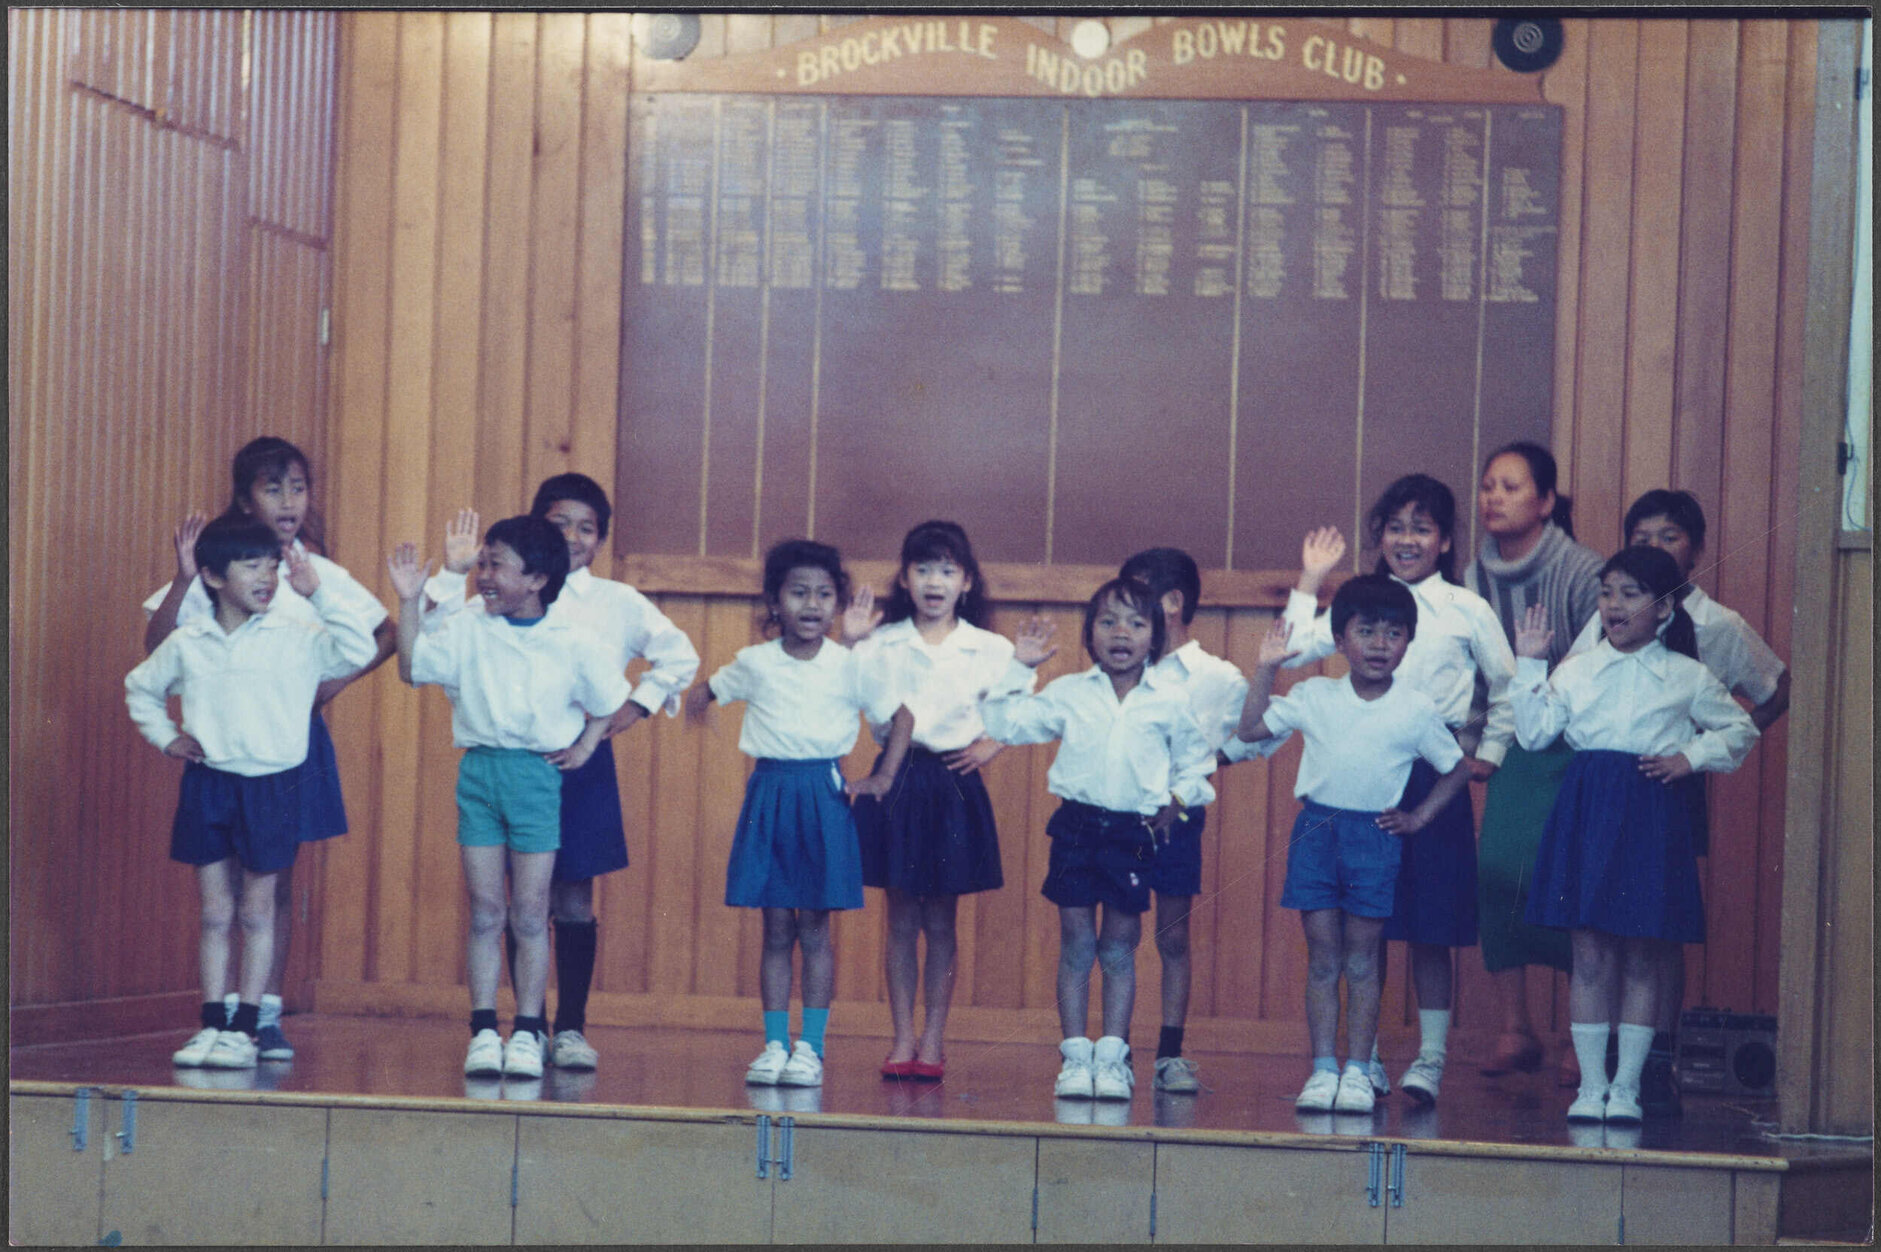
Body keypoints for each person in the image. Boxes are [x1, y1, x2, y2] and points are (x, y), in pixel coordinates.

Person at [421, 473, 700, 1072]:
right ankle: (524, 1023)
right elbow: (444, 653)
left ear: (600, 539)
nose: (573, 536)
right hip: (507, 763)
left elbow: (679, 656)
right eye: (559, 524)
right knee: (514, 902)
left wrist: (626, 714)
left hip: (578, 763)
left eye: (587, 528)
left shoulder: (616, 602)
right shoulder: (490, 598)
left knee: (570, 895)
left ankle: (568, 1027)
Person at [141, 436, 395, 1060]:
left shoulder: (314, 573)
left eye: (299, 487)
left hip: (287, 742)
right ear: (243, 498)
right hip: (224, 746)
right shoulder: (216, 565)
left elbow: (382, 633)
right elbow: (155, 643)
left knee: (272, 881)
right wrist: (180, 581)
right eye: (272, 487)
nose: (289, 501)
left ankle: (263, 1013)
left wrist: (317, 691)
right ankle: (222, 1011)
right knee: (223, 888)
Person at [1275, 474, 1517, 1105]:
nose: (1408, 540)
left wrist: (1488, 753)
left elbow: (1508, 685)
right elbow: (1295, 650)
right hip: (1366, 775)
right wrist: (1309, 579)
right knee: (1365, 924)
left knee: (1433, 924)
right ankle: (1366, 1057)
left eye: (1423, 528)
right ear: (1379, 537)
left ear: (1443, 542)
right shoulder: (1355, 603)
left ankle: (1431, 1060)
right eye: (1395, 527)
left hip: (1435, 769)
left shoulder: (1467, 609)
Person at [1510, 545, 1758, 1123]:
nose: (1614, 605)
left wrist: (1690, 757)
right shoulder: (1577, 668)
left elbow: (1740, 729)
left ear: (1665, 608)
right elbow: (1532, 733)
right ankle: (1591, 1086)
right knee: (1590, 951)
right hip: (1588, 808)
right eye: (1607, 592)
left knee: (1645, 951)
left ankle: (1626, 1087)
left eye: (1630, 593)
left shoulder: (1687, 675)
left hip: (1650, 812)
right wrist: (1529, 664)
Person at [1562, 488, 1790, 1113]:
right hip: (1612, 784)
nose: (1655, 547)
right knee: (1603, 922)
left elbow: (1773, 688)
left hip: (1669, 786)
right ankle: (1603, 1066)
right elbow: (1583, 682)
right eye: (1642, 537)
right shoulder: (1613, 611)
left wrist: (1697, 754)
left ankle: (1656, 1059)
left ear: (1696, 550)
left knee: (1657, 926)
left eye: (1669, 536)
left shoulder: (1719, 624)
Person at [387, 516, 633, 1080]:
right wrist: (408, 603)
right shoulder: (472, 627)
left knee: (528, 913)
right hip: (480, 775)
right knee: (485, 912)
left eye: (497, 564)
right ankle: (481, 1030)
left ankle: (527, 1031)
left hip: (537, 781)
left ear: (538, 578)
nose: (485, 574)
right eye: (483, 563)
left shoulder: (572, 640)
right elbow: (411, 668)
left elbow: (608, 701)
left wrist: (586, 745)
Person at [1233, 575, 1470, 1115]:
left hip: (1375, 839)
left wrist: (1419, 817)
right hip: (1317, 833)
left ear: (1408, 642)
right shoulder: (1314, 695)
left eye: (1393, 633)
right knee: (1323, 958)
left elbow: (1456, 770)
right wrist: (1266, 666)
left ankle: (1360, 1070)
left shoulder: (1414, 707)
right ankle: (1322, 1069)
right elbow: (1249, 731)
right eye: (1367, 631)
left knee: (1362, 960)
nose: (1380, 644)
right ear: (1340, 640)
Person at [684, 539, 912, 1090]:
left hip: (823, 796)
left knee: (814, 928)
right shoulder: (756, 663)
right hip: (771, 794)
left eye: (824, 594)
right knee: (775, 927)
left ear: (837, 604)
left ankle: (811, 1047)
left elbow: (900, 718)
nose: (812, 605)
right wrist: (698, 711)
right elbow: (704, 693)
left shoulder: (849, 665)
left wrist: (881, 777)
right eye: (799, 592)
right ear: (775, 600)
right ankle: (774, 1045)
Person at [979, 577, 1217, 1103]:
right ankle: (1075, 1057)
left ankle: (1112, 1058)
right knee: (1076, 943)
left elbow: (1197, 764)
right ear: (1090, 634)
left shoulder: (1171, 699)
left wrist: (1175, 801)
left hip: (1134, 832)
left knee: (1118, 946)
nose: (1121, 633)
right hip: (1077, 828)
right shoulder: (1069, 692)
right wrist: (1021, 666)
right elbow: (1006, 722)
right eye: (1108, 621)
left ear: (1155, 636)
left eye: (1136, 622)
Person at [848, 521, 1014, 1082]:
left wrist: (993, 743)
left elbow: (1023, 706)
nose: (934, 581)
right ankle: (901, 1038)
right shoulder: (881, 640)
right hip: (897, 776)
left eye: (947, 570)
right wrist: (850, 642)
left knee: (942, 919)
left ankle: (935, 1038)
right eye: (923, 569)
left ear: (967, 581)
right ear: (904, 577)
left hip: (952, 784)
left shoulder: (991, 648)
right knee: (899, 918)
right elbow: (859, 700)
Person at [1467, 441, 1604, 1084]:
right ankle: (1515, 1028)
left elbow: (1597, 669)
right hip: (1509, 744)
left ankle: (1582, 1037)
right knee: (1498, 874)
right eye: (1489, 485)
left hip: (1575, 747)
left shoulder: (1583, 570)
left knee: (1571, 882)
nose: (1494, 496)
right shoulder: (1473, 577)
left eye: (1512, 486)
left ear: (1546, 501)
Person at [1113, 547, 1247, 1096]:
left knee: (1172, 935)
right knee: (1116, 933)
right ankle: (1110, 1050)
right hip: (1117, 815)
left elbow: (1255, 734)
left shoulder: (1216, 676)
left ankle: (1170, 1053)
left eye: (1138, 600)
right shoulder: (1121, 665)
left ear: (1171, 601)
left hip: (1177, 820)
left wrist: (1202, 770)